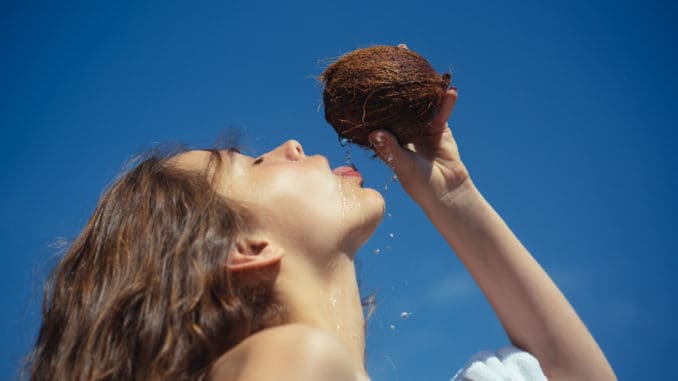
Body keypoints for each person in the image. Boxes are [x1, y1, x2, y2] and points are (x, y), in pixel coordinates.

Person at [24, 87, 616, 381]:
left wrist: (452, 195)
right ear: (244, 249)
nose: (291, 146)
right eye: (249, 163)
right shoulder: (291, 358)